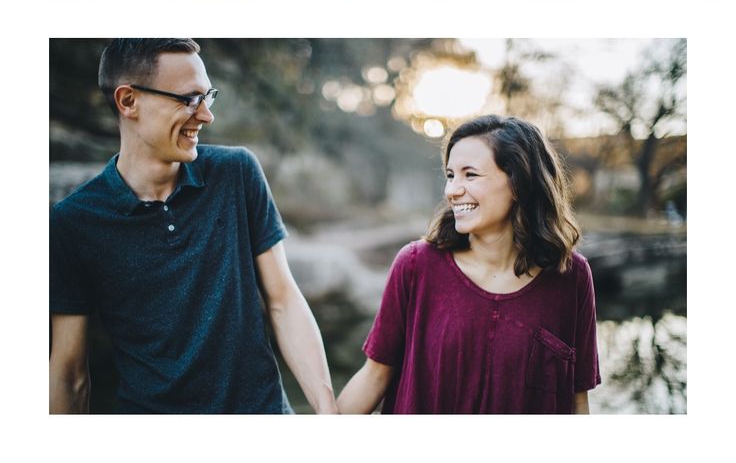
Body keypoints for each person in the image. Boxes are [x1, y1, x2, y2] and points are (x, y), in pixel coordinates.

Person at [49, 37, 338, 414]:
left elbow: (283, 300)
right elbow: (70, 373)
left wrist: (327, 411)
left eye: (207, 96)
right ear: (128, 101)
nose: (206, 115)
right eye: (189, 99)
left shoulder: (236, 173)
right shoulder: (74, 223)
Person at [337, 114, 600, 414]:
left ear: (518, 183)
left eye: (470, 175)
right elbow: (374, 375)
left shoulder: (572, 277)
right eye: (450, 175)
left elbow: (577, 400)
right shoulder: (415, 266)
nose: (451, 190)